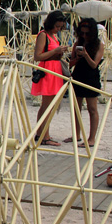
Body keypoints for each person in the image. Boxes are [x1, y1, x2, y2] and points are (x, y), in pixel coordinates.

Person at [64, 17, 105, 147]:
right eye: (82, 33)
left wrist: (86, 55)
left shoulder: (99, 45)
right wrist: (75, 57)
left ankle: (92, 138)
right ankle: (76, 134)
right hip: (78, 75)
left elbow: (94, 65)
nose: (84, 35)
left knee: (92, 108)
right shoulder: (78, 43)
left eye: (87, 33)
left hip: (91, 76)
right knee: (76, 108)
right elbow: (71, 63)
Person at [31, 10, 69, 146]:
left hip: (55, 70)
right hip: (48, 71)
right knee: (47, 106)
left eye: (60, 27)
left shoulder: (53, 35)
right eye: (57, 26)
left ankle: (41, 133)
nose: (58, 29)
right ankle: (44, 136)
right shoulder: (43, 35)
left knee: (48, 106)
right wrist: (55, 51)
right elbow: (37, 56)